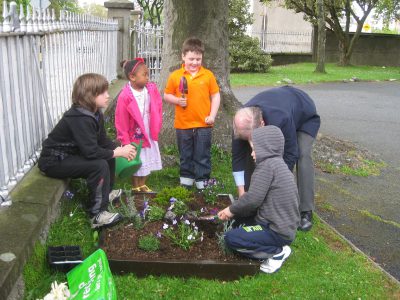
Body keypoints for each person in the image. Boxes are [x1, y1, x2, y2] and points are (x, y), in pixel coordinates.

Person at [38, 73, 137, 229]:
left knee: (108, 155)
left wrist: (119, 149)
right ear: (89, 96)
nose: (108, 95)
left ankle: (105, 194)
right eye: (103, 92)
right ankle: (97, 215)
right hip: (54, 161)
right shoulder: (79, 118)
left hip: (71, 155)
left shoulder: (95, 113)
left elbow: (102, 141)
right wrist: (118, 152)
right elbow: (91, 152)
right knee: (99, 165)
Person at [232, 86, 320, 231]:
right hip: (284, 104)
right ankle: (251, 193)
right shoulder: (240, 121)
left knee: (303, 154)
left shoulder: (281, 119)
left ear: (262, 124)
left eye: (252, 137)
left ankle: (305, 210)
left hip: (304, 115)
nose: (250, 142)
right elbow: (238, 157)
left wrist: (275, 187)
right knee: (251, 151)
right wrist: (243, 193)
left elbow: (290, 154)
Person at [218, 125, 300, 273]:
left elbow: (252, 199)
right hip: (280, 226)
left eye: (255, 149)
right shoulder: (278, 164)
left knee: (231, 238)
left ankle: (276, 252)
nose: (252, 154)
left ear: (266, 148)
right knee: (236, 222)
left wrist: (231, 209)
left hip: (275, 231)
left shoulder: (266, 167)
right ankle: (276, 246)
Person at [164, 37, 221, 190]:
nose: (195, 63)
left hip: (204, 123)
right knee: (185, 154)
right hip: (183, 124)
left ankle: (202, 181)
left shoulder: (208, 75)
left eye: (198, 59)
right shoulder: (176, 76)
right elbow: (166, 94)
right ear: (183, 56)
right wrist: (176, 100)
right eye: (191, 59)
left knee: (203, 154)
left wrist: (212, 116)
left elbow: (215, 96)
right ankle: (186, 180)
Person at [115, 58, 163, 193]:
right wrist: (125, 140)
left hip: (148, 130)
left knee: (149, 157)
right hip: (134, 135)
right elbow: (121, 119)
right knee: (136, 159)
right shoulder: (125, 96)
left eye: (148, 74)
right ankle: (136, 184)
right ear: (132, 77)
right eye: (145, 75)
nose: (148, 77)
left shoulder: (150, 90)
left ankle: (143, 184)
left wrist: (157, 122)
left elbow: (158, 106)